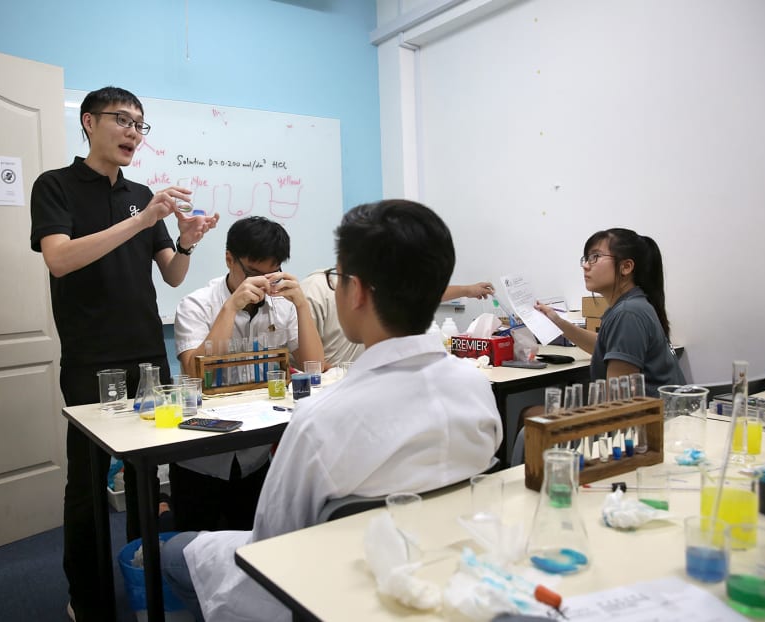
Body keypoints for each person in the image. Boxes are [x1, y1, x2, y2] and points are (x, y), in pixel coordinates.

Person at [162, 199, 503, 622]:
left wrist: (302, 305)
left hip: (324, 585)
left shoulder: (318, 421)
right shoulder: (477, 389)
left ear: (354, 291)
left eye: (336, 278)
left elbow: (270, 546)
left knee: (171, 554)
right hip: (437, 569)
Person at [29, 85, 219, 622]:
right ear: (89, 122)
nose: (133, 132)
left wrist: (186, 239)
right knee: (88, 485)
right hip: (91, 356)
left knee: (146, 478)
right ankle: (87, 597)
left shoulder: (141, 193)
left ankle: (148, 582)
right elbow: (60, 259)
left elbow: (172, 274)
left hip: (147, 353)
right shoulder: (56, 186)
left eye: (140, 124)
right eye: (122, 120)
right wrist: (141, 219)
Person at [171, 215, 324, 531]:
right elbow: (196, 374)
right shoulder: (196, 305)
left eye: (272, 273)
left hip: (255, 455)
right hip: (201, 458)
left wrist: (301, 306)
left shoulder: (282, 305)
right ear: (229, 259)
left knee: (255, 543)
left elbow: (315, 367)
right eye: (254, 273)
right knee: (195, 546)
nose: (263, 284)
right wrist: (231, 307)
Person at [535, 227, 685, 396]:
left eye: (595, 257)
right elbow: (604, 346)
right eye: (586, 258)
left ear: (626, 267)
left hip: (650, 412)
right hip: (662, 409)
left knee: (532, 410)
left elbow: (619, 399)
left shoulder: (627, 313)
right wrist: (557, 321)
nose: (585, 265)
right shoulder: (633, 305)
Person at [300, 268, 495, 366]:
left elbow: (422, 294)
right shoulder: (315, 290)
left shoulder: (379, 285)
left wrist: (467, 290)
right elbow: (309, 363)